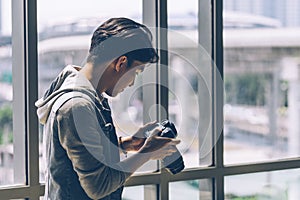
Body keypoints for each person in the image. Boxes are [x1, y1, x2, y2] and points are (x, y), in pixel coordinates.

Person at [35, 17, 180, 200]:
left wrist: (124, 144)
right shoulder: (77, 106)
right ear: (121, 63)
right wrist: (146, 153)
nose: (132, 82)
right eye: (136, 72)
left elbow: (77, 155)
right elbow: (99, 186)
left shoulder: (86, 96)